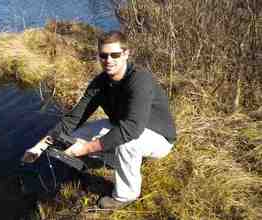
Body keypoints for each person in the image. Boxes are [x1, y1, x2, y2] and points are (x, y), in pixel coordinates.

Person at [23, 30, 176, 209]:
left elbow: (132, 129)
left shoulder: (139, 80)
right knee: (75, 134)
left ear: (126, 54)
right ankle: (98, 159)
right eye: (103, 55)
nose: (108, 60)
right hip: (122, 125)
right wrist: (39, 147)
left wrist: (86, 148)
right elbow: (73, 118)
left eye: (115, 54)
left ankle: (125, 196)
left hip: (159, 137)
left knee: (128, 143)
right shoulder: (100, 83)